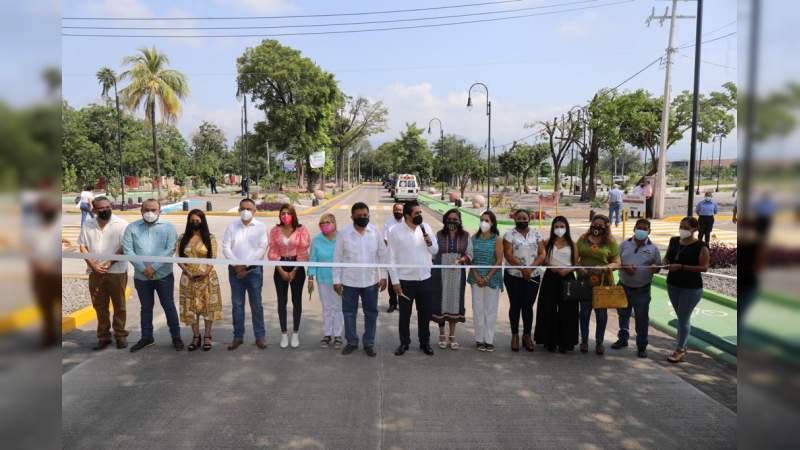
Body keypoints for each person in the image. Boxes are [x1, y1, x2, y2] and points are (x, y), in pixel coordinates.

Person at [122, 199, 183, 352]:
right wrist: (143, 269)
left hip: (164, 275)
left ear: (159, 211)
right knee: (146, 308)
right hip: (142, 277)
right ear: (141, 211)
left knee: (168, 306)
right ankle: (146, 337)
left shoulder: (168, 228)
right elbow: (128, 250)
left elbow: (170, 249)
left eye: (153, 210)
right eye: (147, 209)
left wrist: (153, 267)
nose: (150, 213)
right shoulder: (132, 228)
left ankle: (176, 337)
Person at [333, 203, 388, 357]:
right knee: (349, 313)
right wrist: (336, 280)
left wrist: (383, 276)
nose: (363, 218)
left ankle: (369, 343)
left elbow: (382, 255)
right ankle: (351, 342)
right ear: (352, 217)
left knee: (371, 313)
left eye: (365, 215)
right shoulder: (343, 234)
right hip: (349, 281)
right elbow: (337, 258)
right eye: (359, 216)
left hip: (370, 281)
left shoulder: (375, 232)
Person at [387, 201, 438, 356]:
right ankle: (404, 343)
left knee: (425, 314)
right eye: (417, 213)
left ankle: (425, 343)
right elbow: (391, 258)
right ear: (407, 215)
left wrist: (429, 241)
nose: (420, 216)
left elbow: (435, 250)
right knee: (404, 315)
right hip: (405, 280)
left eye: (420, 213)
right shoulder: (394, 231)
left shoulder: (426, 228)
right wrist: (395, 281)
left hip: (425, 279)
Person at [78, 196, 129, 350]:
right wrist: (92, 265)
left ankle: (120, 335)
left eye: (107, 206)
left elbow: (125, 246)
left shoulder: (121, 224)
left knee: (119, 305)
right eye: (101, 208)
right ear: (94, 209)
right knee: (99, 306)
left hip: (117, 271)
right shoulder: (88, 225)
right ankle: (104, 337)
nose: (105, 210)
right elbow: (82, 247)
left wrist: (110, 262)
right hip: (95, 272)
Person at [610, 219, 661, 358]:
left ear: (649, 231)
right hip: (624, 285)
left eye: (645, 229)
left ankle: (641, 346)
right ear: (634, 228)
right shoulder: (624, 245)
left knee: (642, 318)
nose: (641, 231)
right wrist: (625, 267)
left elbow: (658, 267)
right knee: (623, 314)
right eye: (639, 228)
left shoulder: (653, 249)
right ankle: (623, 338)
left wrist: (655, 268)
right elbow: (617, 262)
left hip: (642, 289)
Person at [222, 198, 268, 350]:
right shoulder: (232, 227)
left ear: (255, 211)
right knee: (237, 305)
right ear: (238, 210)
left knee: (256, 305)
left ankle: (260, 337)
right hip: (235, 271)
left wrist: (245, 266)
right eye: (242, 208)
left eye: (249, 209)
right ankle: (238, 337)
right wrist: (237, 266)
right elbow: (226, 247)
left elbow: (262, 248)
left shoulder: (261, 227)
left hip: (254, 271)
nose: (245, 211)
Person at [663, 216, 709, 363]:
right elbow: (667, 257)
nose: (682, 230)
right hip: (673, 284)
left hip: (691, 288)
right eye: (681, 226)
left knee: (683, 318)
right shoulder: (674, 241)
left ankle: (680, 349)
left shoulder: (701, 246)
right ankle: (682, 345)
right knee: (682, 317)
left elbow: (704, 267)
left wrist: (682, 267)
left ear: (694, 229)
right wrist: (664, 263)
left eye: (686, 227)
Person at [176, 210, 222, 352]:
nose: (194, 223)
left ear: (202, 221)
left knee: (208, 307)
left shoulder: (210, 237)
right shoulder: (182, 237)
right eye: (192, 220)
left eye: (197, 220)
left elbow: (212, 258)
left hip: (207, 278)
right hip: (188, 278)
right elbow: (178, 257)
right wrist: (188, 272)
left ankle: (207, 336)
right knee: (191, 308)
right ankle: (196, 336)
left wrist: (204, 274)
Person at [576, 214, 621, 355]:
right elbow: (574, 258)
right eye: (595, 224)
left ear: (606, 227)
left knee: (601, 315)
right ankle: (584, 341)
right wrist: (579, 267)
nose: (597, 227)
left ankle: (599, 342)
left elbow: (617, 262)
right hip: (584, 281)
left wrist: (606, 267)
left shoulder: (611, 242)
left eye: (601, 225)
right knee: (584, 313)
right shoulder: (582, 239)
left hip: (602, 283)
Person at [533, 216, 579, 353]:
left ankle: (566, 342)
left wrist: (567, 270)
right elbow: (541, 259)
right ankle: (549, 341)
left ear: (567, 228)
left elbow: (576, 264)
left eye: (562, 226)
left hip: (568, 278)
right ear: (553, 228)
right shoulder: (547, 242)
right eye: (557, 226)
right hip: (550, 277)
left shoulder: (572, 244)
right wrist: (550, 266)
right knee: (548, 308)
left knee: (568, 310)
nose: (559, 229)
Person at [268, 203, 311, 349]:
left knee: (296, 301)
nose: (284, 216)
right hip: (280, 267)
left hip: (297, 268)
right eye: (282, 213)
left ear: (293, 214)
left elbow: (303, 251)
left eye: (287, 213)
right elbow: (273, 251)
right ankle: (284, 333)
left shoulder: (301, 230)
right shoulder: (275, 230)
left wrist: (293, 271)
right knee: (282, 301)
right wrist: (280, 270)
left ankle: (296, 333)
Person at [503, 209, 546, 352]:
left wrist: (531, 269)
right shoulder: (509, 234)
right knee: (515, 306)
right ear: (514, 219)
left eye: (524, 218)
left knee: (528, 306)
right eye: (519, 218)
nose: (522, 220)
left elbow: (542, 253)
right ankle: (514, 335)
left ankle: (527, 336)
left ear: (530, 218)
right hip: (514, 276)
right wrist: (522, 269)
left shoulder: (537, 234)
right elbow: (508, 255)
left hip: (533, 276)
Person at [430, 209, 472, 350]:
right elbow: (433, 252)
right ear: (445, 220)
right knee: (441, 302)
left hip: (457, 273)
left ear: (460, 221)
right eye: (450, 219)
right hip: (440, 273)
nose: (452, 222)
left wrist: (461, 259)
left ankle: (452, 335)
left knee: (454, 302)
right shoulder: (439, 235)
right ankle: (442, 334)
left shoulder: (466, 236)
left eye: (455, 219)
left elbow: (470, 253)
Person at [466, 211, 504, 352]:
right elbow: (471, 259)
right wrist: (477, 275)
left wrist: (488, 277)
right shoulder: (473, 238)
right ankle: (479, 339)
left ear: (493, 223)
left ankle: (489, 339)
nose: (484, 223)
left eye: (487, 220)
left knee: (490, 310)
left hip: (492, 279)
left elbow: (499, 260)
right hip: (476, 278)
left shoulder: (497, 239)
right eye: (482, 220)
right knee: (478, 309)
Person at [308, 213, 343, 349]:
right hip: (322, 279)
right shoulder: (316, 240)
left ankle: (338, 335)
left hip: (338, 280)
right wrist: (311, 277)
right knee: (327, 307)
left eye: (327, 222)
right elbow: (313, 259)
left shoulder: (341, 238)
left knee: (338, 307)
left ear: (334, 223)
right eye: (321, 223)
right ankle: (327, 334)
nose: (324, 225)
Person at [382, 202, 405, 313]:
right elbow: (385, 239)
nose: (398, 212)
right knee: (392, 282)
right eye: (396, 210)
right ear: (393, 211)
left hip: (404, 257)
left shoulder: (407, 222)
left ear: (403, 211)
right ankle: (393, 303)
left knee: (402, 281)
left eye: (400, 210)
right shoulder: (388, 223)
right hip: (392, 256)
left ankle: (402, 303)